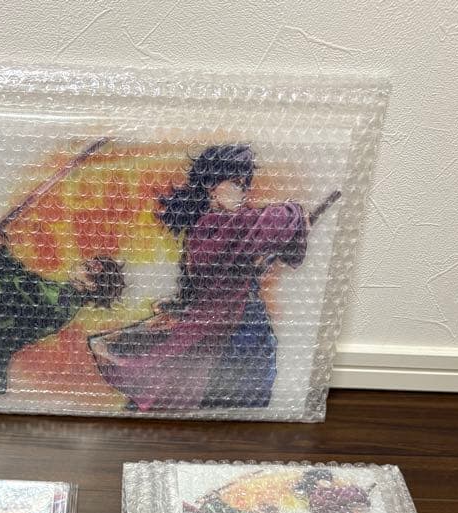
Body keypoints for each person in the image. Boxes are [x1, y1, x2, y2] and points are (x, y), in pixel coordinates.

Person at [90, 144, 309, 411]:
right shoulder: (223, 225)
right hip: (238, 335)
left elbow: (202, 283)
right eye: (236, 183)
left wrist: (184, 302)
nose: (243, 192)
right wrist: (298, 215)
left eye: (245, 185)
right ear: (210, 185)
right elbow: (281, 219)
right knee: (231, 400)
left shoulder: (203, 228)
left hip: (235, 330)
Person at [0, 222, 125, 398]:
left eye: (88, 268)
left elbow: (11, 290)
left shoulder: (60, 301)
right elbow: (22, 277)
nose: (82, 262)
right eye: (88, 261)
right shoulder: (63, 295)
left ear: (91, 286)